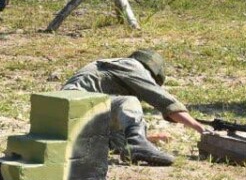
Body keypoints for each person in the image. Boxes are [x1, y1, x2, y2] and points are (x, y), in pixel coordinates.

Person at [62, 50, 205, 166]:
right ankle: (137, 144)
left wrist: (149, 137)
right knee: (130, 101)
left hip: (64, 114)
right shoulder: (133, 66)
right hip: (77, 107)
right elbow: (164, 100)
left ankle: (138, 141)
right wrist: (200, 128)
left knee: (118, 134)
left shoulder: (111, 67)